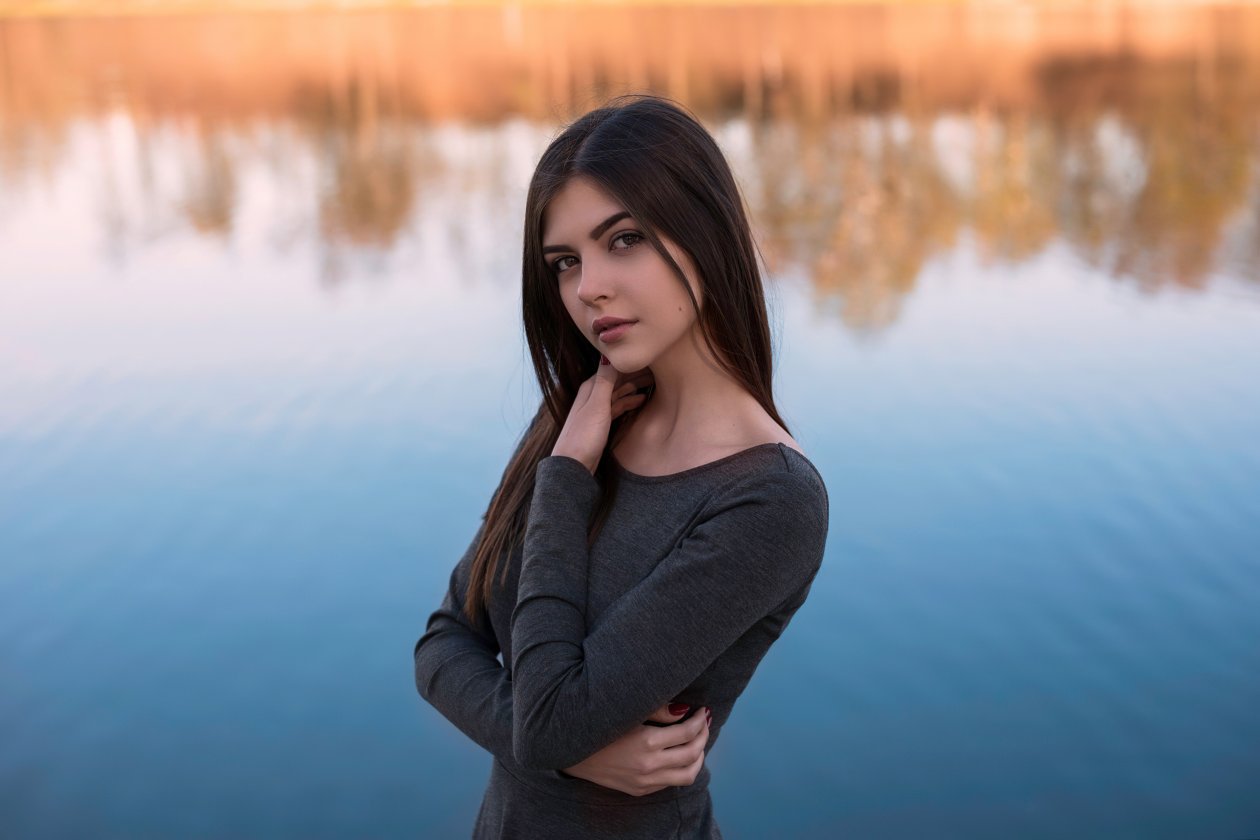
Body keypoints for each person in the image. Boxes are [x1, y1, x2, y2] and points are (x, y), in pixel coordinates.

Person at [413, 95, 829, 839]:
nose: (587, 287)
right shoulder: (578, 425)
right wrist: (571, 753)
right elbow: (444, 645)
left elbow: (548, 722)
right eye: (566, 261)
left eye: (625, 239)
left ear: (704, 234)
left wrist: (567, 478)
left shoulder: (769, 499)